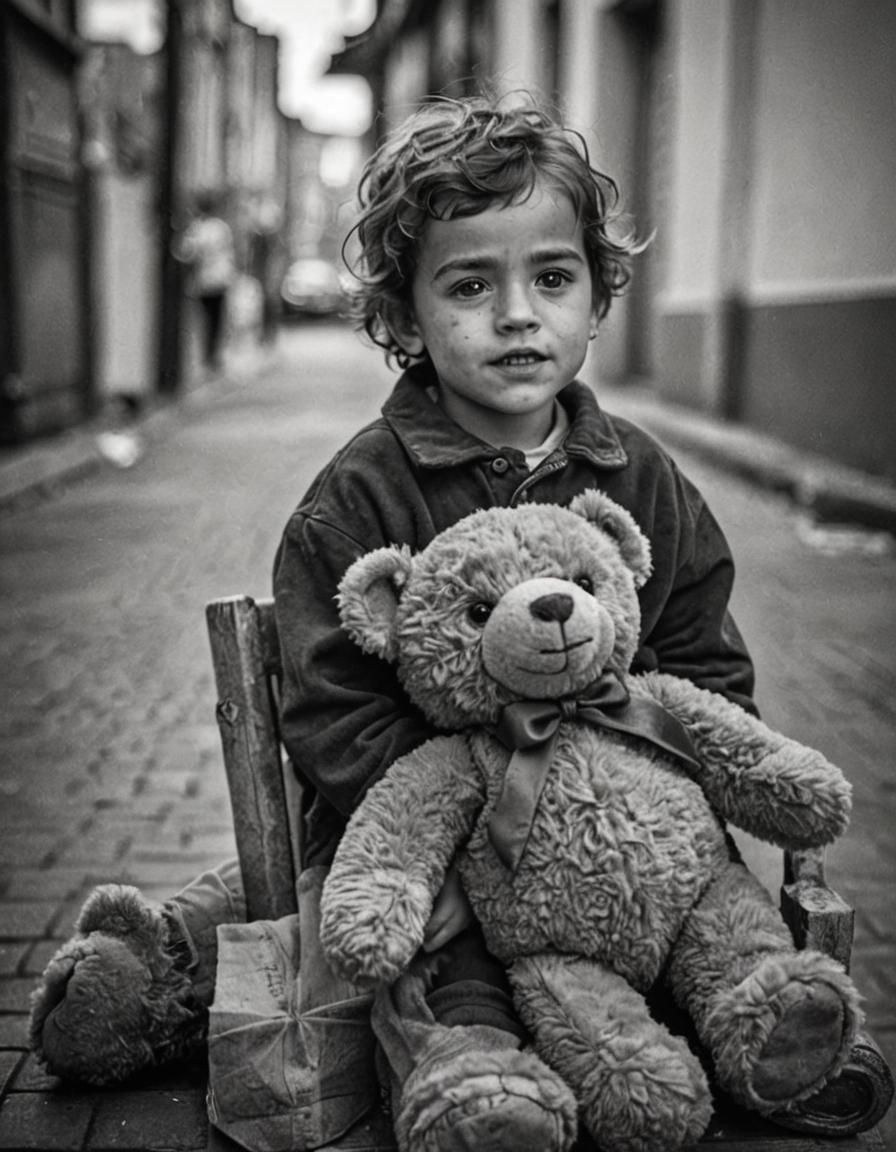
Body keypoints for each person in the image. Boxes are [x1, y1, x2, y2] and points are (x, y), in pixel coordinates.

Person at [272, 92, 756, 1133]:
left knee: (702, 948)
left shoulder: (644, 478)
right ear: (402, 316)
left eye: (550, 277)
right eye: (467, 284)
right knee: (455, 981)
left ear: (596, 294)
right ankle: (477, 1088)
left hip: (617, 858)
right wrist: (460, 856)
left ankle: (763, 1038)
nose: (516, 314)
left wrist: (662, 821)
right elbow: (332, 709)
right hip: (441, 864)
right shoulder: (360, 497)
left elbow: (702, 667)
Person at [176, 190, 236, 371]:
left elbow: (184, 252)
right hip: (219, 279)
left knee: (205, 319)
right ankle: (212, 355)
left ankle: (207, 355)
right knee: (216, 319)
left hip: (205, 280)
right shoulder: (221, 227)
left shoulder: (197, 229)